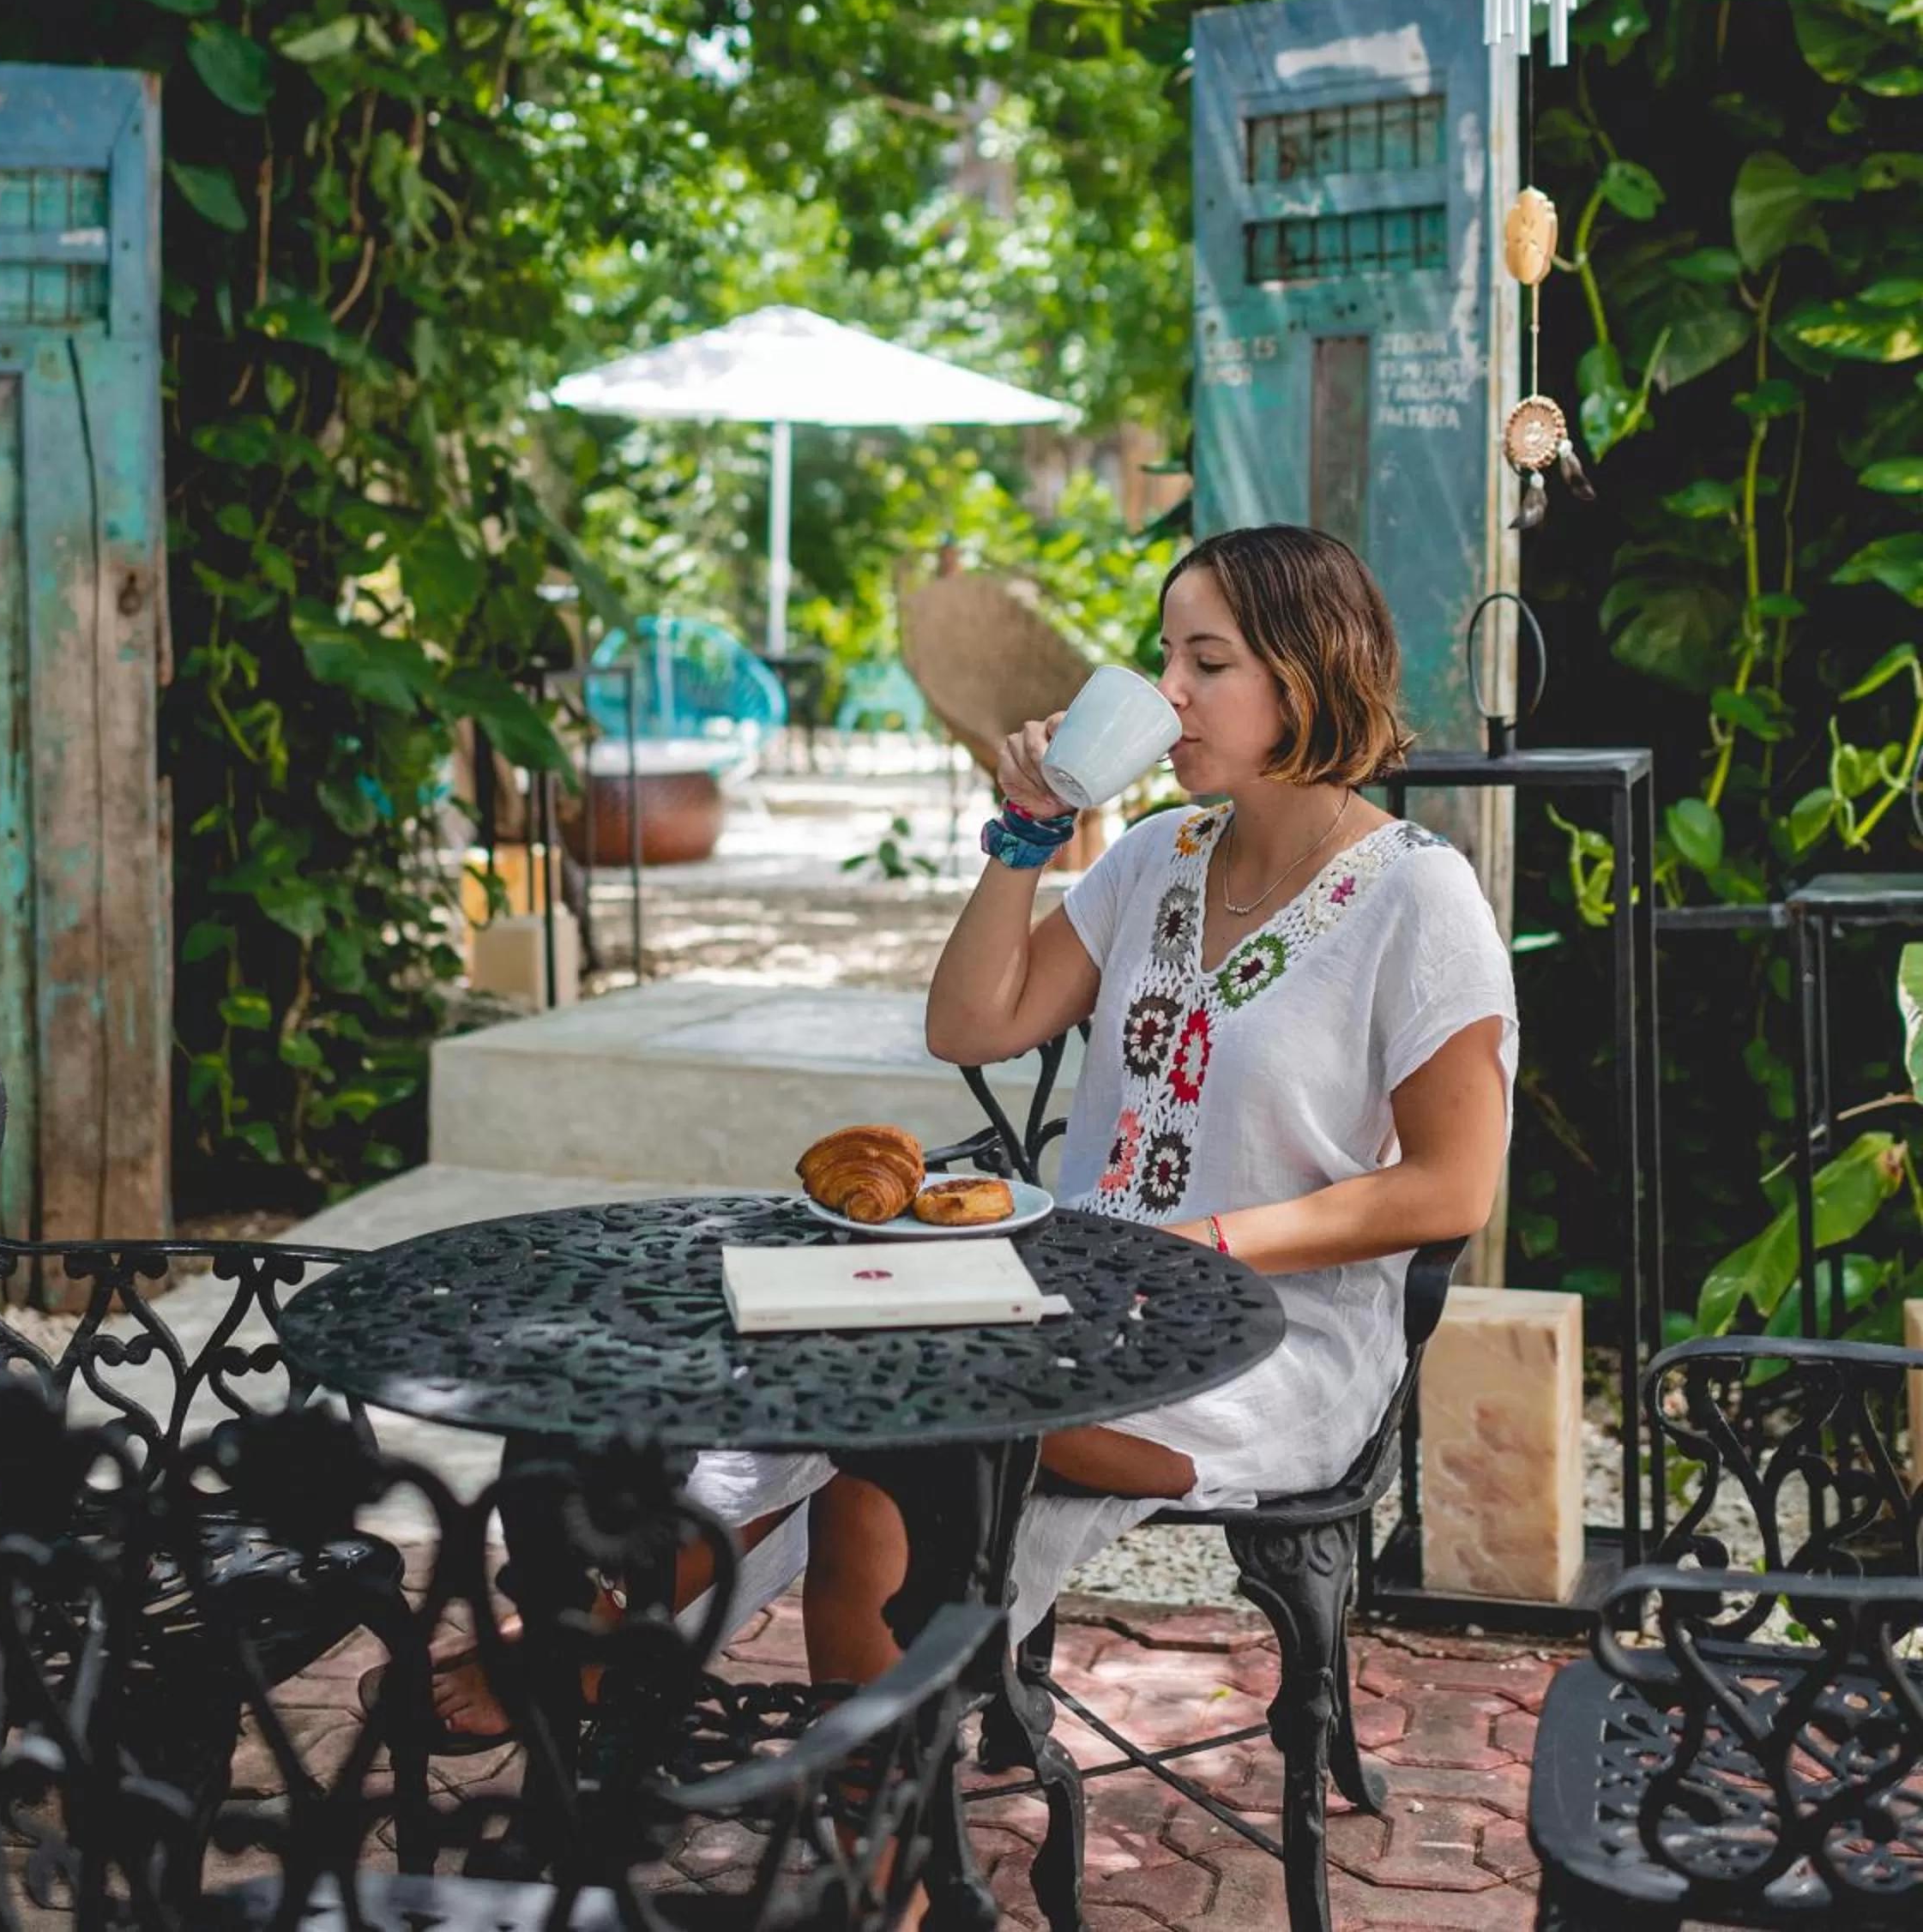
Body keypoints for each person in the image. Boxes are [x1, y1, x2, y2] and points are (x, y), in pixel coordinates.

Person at [421, 521, 1516, 1740]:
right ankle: (847, 1801)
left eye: (1206, 663)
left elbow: (1450, 1189)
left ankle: (616, 1668)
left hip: (1265, 1339)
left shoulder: (1420, 894)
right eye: (1164, 658)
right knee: (863, 1397)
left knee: (902, 1428)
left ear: (1307, 675)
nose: (1168, 694)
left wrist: (1206, 1244)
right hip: (1076, 1299)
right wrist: (1027, 829)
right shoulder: (1159, 856)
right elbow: (971, 1023)